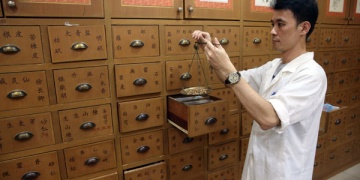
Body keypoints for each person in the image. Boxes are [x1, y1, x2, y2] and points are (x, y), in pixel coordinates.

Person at [192, 0, 326, 179]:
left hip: (285, 172)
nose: (272, 31)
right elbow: (232, 79)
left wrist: (229, 70)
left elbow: (268, 118)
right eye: (272, 24)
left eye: (281, 24)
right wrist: (211, 51)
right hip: (258, 168)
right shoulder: (273, 67)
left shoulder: (312, 75)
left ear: (304, 28)